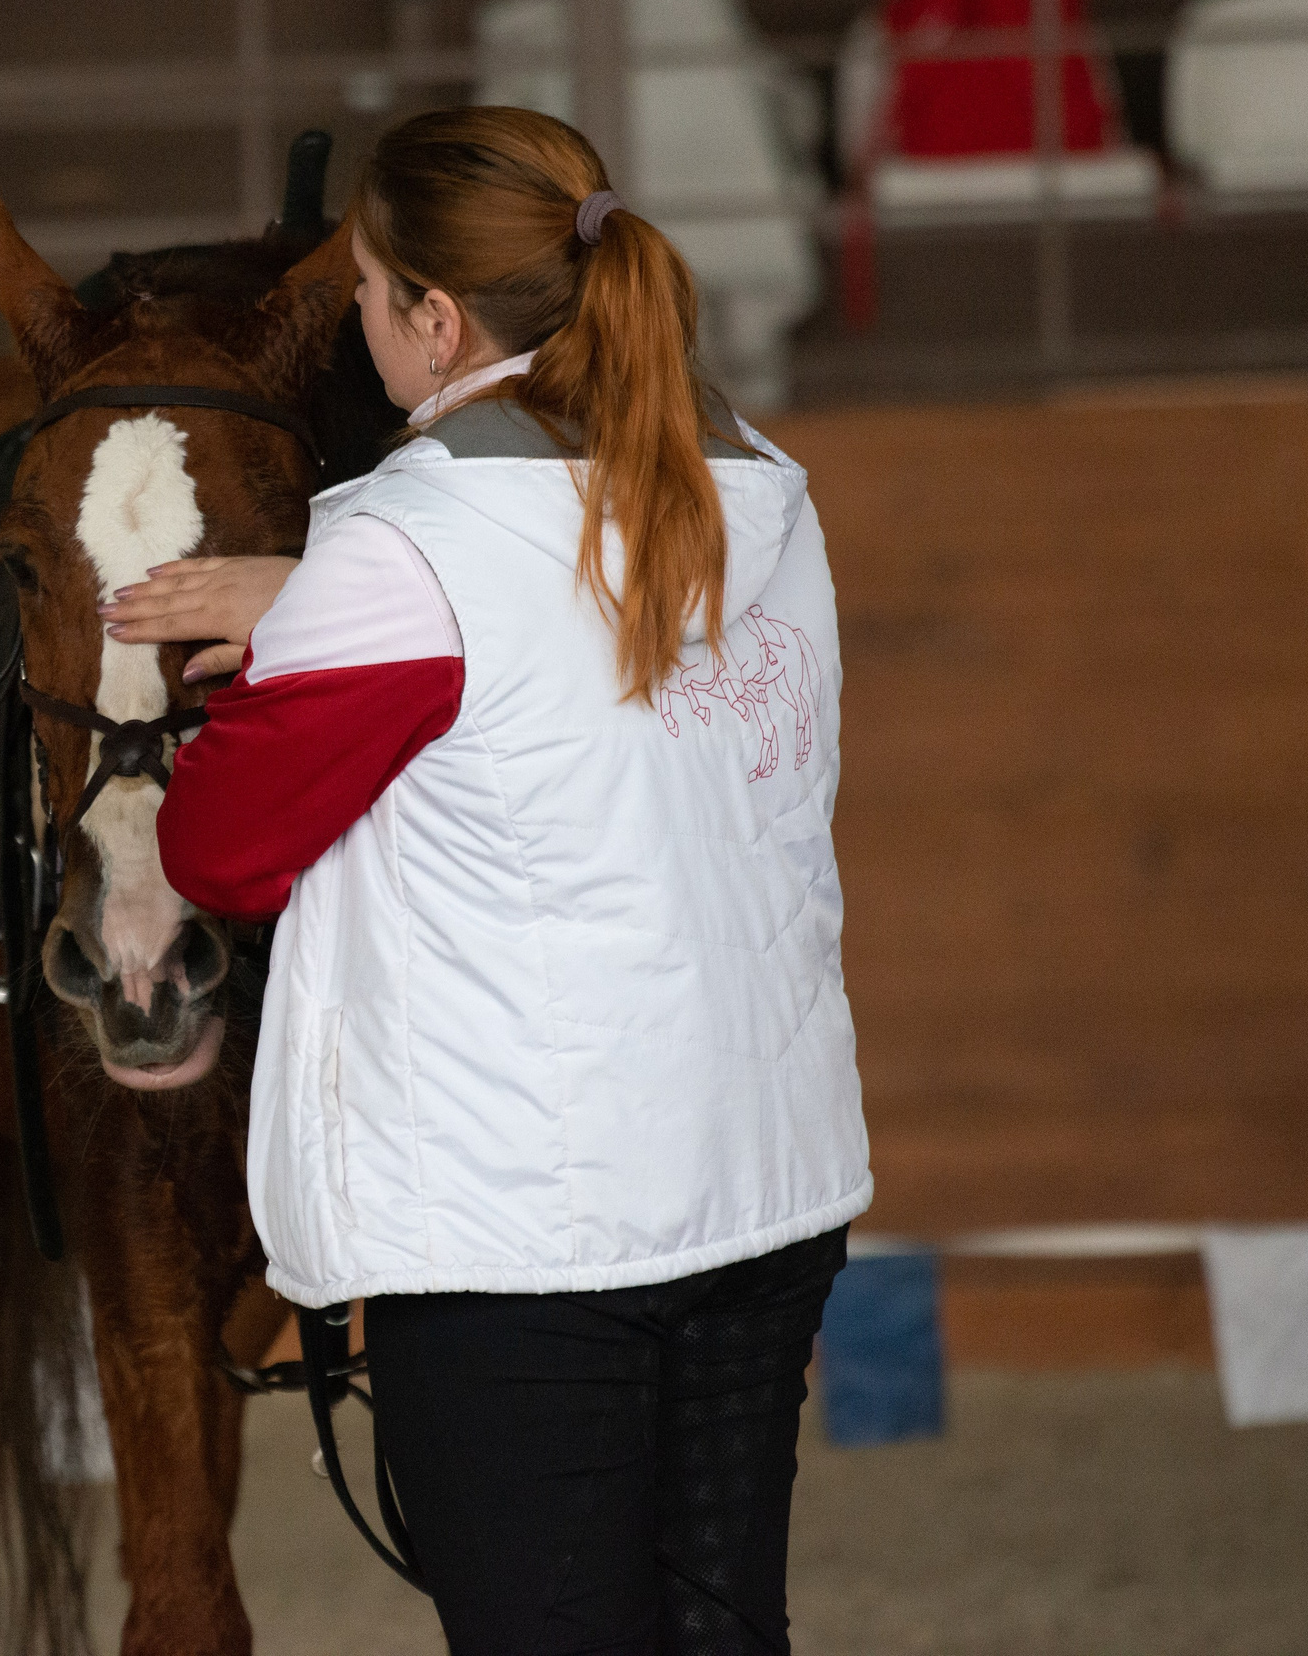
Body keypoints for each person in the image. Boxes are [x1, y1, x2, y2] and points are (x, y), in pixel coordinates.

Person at [107, 106, 871, 1655]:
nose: (361, 326)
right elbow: (566, 631)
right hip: (763, 1188)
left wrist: (300, 622)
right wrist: (312, 597)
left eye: (367, 297)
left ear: (437, 319)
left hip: (521, 1237)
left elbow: (220, 851)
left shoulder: (404, 549)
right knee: (722, 1631)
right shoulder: (757, 486)